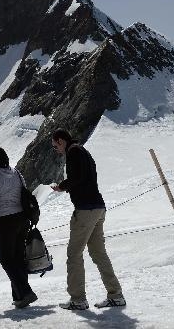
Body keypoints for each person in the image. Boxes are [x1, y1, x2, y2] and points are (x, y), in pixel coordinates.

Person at [50, 129, 125, 311]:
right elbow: (85, 177)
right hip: (98, 207)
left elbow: (77, 178)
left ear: (61, 141)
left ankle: (78, 299)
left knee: (74, 254)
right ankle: (116, 295)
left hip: (85, 210)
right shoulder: (83, 150)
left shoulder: (73, 151)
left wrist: (62, 186)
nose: (56, 150)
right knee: (98, 252)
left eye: (55, 146)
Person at [0, 146, 37, 308]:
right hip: (22, 219)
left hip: (6, 221)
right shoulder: (16, 173)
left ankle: (26, 292)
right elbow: (25, 193)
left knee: (6, 260)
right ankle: (19, 297)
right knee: (19, 258)